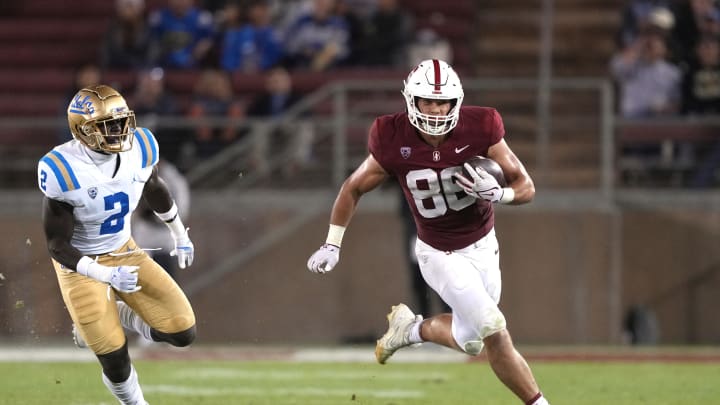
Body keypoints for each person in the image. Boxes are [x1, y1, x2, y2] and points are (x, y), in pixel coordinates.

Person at [306, 59, 550, 405]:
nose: (435, 110)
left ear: (457, 102)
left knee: (470, 340)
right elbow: (353, 187)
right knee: (494, 328)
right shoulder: (392, 136)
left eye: (443, 102)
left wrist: (501, 195)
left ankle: (409, 330)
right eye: (427, 101)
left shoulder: (482, 126)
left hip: (484, 246)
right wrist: (332, 243)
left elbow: (526, 186)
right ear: (411, 100)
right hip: (439, 252)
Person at [37, 85, 196, 405]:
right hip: (81, 264)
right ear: (82, 130)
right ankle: (135, 403)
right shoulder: (63, 169)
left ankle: (122, 314)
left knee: (182, 331)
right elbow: (56, 244)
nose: (118, 131)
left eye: (121, 121)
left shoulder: (140, 147)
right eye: (107, 125)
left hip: (125, 250)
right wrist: (104, 276)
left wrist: (180, 234)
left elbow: (154, 187)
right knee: (114, 355)